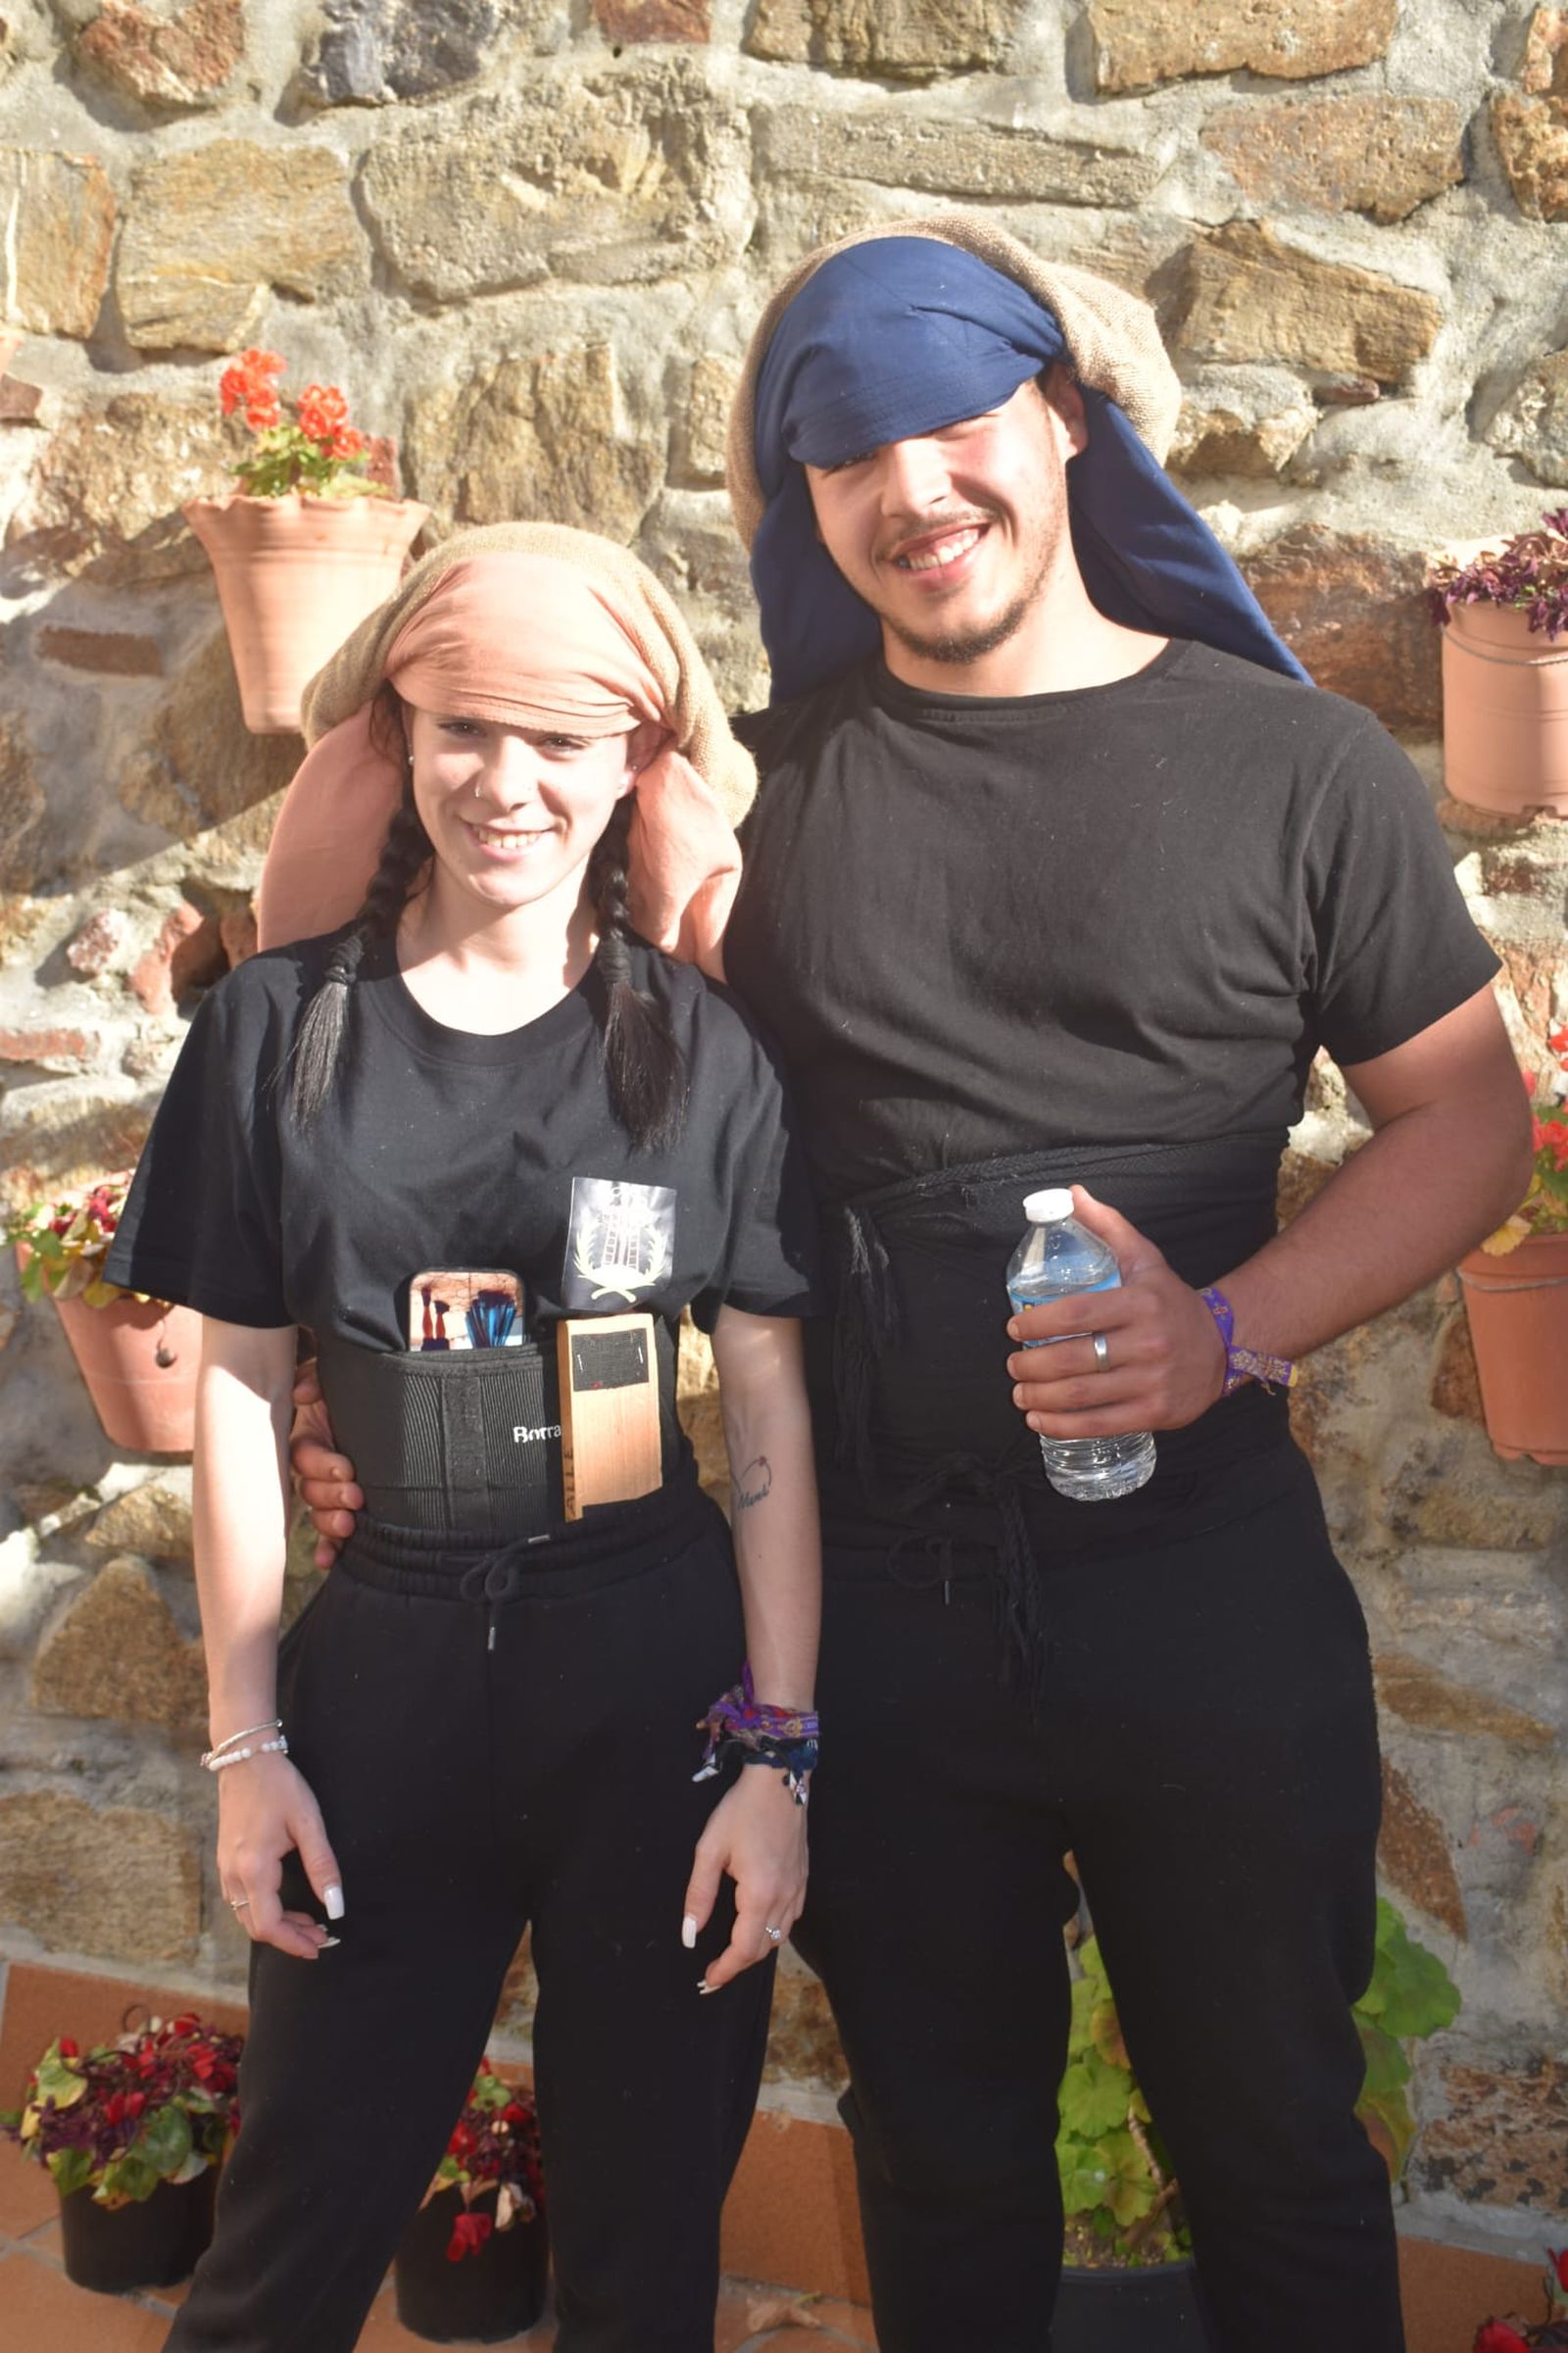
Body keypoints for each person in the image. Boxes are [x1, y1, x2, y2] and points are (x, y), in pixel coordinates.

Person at [296, 222, 1533, 2353]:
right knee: (939, 2152)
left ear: (1059, 420)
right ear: (802, 510)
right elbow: (475, 1044)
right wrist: (381, 1420)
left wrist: (1225, 1324)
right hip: (868, 1602)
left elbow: (1462, 1123)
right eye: (840, 457)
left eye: (951, 420)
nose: (908, 488)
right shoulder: (753, 806)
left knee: (1276, 2140)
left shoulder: (1293, 768)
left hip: (1203, 1592)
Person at [105, 522, 823, 2353]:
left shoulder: (706, 1053)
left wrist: (778, 1758)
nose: (510, 783)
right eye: (466, 731)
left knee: (647, 2252)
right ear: (399, 742)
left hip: (658, 1694)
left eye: (564, 739)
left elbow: (761, 1412)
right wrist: (245, 1742)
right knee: (288, 2238)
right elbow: (245, 1400)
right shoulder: (272, 1035)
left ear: (633, 766)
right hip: (381, 1701)